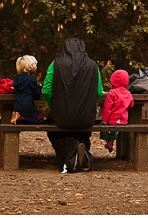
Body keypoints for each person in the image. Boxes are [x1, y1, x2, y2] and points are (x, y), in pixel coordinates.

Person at [41, 38, 103, 174]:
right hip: (86, 117)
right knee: (82, 134)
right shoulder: (93, 65)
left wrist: (55, 105)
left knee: (55, 132)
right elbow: (98, 92)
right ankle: (81, 153)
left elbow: (46, 90)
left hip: (60, 116)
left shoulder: (55, 64)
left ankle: (73, 154)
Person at [100, 68, 134, 153]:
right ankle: (111, 140)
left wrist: (105, 120)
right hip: (123, 120)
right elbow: (131, 105)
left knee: (101, 125)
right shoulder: (128, 93)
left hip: (112, 120)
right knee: (116, 129)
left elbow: (107, 108)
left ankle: (108, 140)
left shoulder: (112, 93)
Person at [12, 54, 45, 124]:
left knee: (23, 122)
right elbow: (36, 93)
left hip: (17, 106)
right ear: (30, 67)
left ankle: (16, 115)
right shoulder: (31, 79)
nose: (36, 67)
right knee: (40, 119)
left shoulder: (17, 79)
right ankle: (21, 117)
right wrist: (38, 87)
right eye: (35, 65)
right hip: (27, 106)